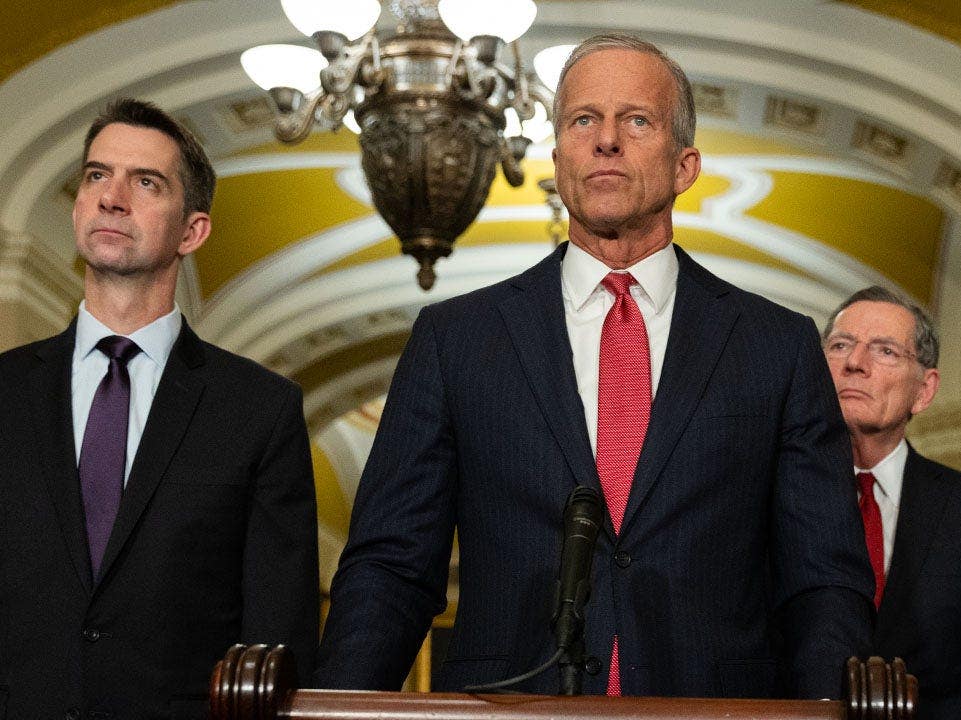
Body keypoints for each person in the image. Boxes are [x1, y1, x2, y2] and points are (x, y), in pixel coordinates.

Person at [314, 33, 874, 699]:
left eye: (636, 121)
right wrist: (338, 706)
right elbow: (392, 567)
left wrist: (827, 712)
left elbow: (823, 581)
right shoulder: (456, 339)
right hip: (510, 708)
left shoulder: (776, 346)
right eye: (583, 120)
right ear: (558, 160)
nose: (606, 140)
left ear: (685, 166)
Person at [0, 98, 319, 719]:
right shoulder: (6, 391)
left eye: (146, 182)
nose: (111, 198)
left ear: (191, 231)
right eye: (97, 175)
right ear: (77, 207)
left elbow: (279, 637)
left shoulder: (259, 409)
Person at [823, 286, 961, 720]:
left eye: (885, 351)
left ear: (924, 390)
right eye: (840, 345)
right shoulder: (768, 498)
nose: (855, 363)